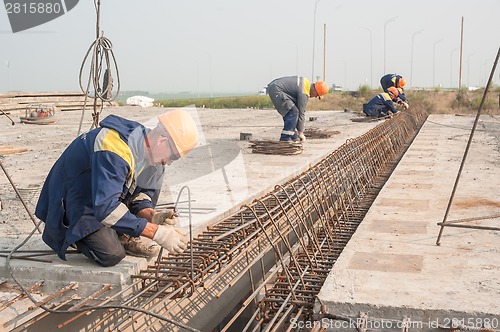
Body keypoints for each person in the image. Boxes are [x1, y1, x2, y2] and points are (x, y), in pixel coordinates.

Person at [35, 109, 199, 267]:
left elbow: (141, 197)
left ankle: (122, 233)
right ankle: (74, 236)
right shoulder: (114, 148)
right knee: (111, 254)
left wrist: (153, 216)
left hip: (103, 197)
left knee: (123, 224)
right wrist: (157, 233)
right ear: (162, 141)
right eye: (174, 156)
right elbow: (106, 208)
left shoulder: (152, 157)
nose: (169, 162)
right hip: (76, 201)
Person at [266, 76, 328, 141]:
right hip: (276, 90)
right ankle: (285, 139)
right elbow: (301, 113)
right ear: (314, 90)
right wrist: (301, 132)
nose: (315, 97)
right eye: (317, 95)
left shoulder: (306, 84)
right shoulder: (304, 93)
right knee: (293, 112)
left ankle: (294, 135)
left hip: (275, 86)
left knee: (292, 112)